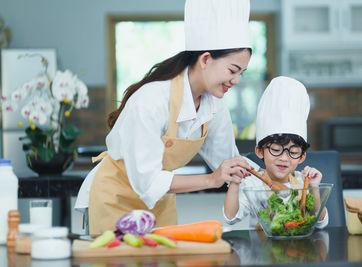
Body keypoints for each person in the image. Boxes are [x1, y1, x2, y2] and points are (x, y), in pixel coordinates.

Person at [75, 0, 253, 235]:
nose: (237, 81)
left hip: (162, 203)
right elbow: (148, 183)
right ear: (205, 59)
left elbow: (230, 164)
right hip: (115, 198)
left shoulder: (215, 108)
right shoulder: (152, 100)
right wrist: (211, 180)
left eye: (242, 73)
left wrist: (279, 184)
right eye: (232, 70)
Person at [223, 76, 329, 229]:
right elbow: (231, 218)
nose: (284, 158)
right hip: (261, 249)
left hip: (300, 250)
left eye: (293, 152)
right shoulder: (253, 185)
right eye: (276, 150)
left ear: (301, 157)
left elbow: (320, 222)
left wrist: (313, 188)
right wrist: (234, 182)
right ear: (260, 151)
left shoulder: (302, 182)